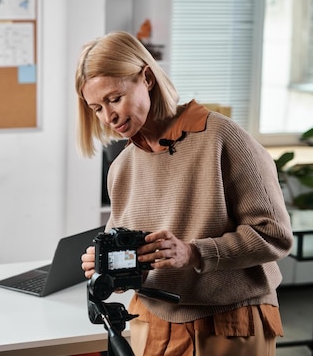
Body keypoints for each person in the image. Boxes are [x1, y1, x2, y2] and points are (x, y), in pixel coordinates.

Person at [75, 31, 293, 356]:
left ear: (146, 78)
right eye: (96, 108)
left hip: (228, 321)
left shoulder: (221, 137)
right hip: (150, 321)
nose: (109, 117)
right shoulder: (121, 167)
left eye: (114, 99)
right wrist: (110, 269)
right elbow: (140, 262)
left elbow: (275, 235)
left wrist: (193, 253)